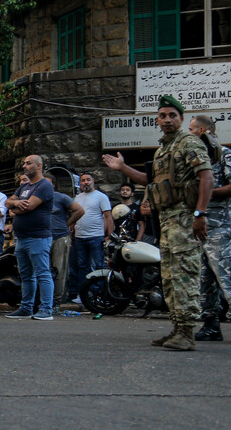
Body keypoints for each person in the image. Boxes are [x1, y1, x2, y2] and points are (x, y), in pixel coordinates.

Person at [103, 95, 213, 350]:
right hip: (167, 222)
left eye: (172, 116)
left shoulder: (189, 143)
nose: (167, 120)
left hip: (185, 218)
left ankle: (186, 333)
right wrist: (122, 167)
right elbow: (148, 180)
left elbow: (206, 178)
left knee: (184, 275)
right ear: (157, 119)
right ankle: (177, 328)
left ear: (181, 119)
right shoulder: (163, 149)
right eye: (163, 116)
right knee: (171, 277)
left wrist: (200, 214)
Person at [188, 115, 231, 341]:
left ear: (203, 130)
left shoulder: (225, 154)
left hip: (221, 228)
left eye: (192, 129)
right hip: (199, 229)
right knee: (204, 280)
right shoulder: (196, 158)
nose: (189, 132)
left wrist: (206, 194)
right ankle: (211, 325)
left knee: (227, 277)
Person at [4, 155, 55, 320]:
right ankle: (26, 308)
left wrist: (16, 206)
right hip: (22, 237)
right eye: (24, 163)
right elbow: (8, 202)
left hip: (38, 238)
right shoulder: (25, 186)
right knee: (26, 275)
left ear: (38, 166)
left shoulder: (44, 185)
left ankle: (46, 309)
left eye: (28, 163)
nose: (24, 166)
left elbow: (29, 207)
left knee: (43, 273)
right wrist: (16, 203)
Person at [68, 173, 113, 303]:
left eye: (88, 180)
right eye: (83, 180)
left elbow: (108, 217)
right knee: (82, 266)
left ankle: (99, 294)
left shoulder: (101, 197)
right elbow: (75, 216)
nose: (85, 182)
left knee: (98, 266)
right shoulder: (77, 197)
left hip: (96, 237)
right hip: (79, 237)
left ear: (93, 181)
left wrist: (109, 235)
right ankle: (84, 295)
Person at [44, 172, 84, 310]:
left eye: (48, 183)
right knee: (44, 270)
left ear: (54, 185)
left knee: (59, 270)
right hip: (43, 237)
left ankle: (56, 300)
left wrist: (67, 223)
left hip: (60, 237)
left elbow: (79, 210)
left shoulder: (61, 198)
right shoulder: (38, 199)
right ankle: (45, 299)